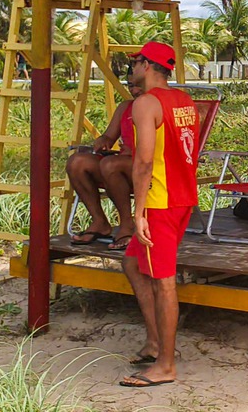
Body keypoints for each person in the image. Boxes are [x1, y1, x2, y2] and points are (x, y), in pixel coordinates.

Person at [120, 41, 199, 389]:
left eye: (135, 62)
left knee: (163, 280)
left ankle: (166, 364)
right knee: (133, 263)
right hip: (183, 196)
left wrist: (137, 212)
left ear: (147, 65)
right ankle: (155, 342)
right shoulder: (184, 101)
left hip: (160, 201)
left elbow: (144, 161)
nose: (132, 68)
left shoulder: (145, 103)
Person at [66, 80, 144, 250]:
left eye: (139, 85)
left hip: (147, 166)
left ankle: (126, 224)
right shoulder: (126, 107)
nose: (134, 89)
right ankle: (100, 221)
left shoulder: (156, 104)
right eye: (130, 85)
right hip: (122, 164)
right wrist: (103, 140)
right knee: (77, 162)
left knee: (110, 164)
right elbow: (109, 136)